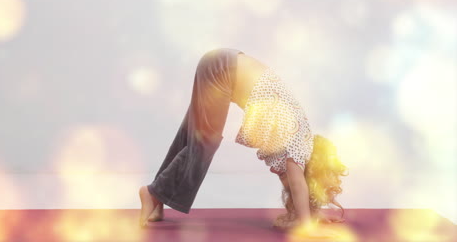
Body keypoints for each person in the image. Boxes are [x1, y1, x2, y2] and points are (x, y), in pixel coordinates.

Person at [138, 48, 348, 232]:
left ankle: (157, 200)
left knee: (191, 134)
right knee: (205, 142)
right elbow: (297, 184)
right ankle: (153, 194)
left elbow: (294, 186)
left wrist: (313, 214)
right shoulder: (299, 146)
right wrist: (307, 225)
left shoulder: (297, 138)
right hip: (222, 69)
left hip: (222, 61)